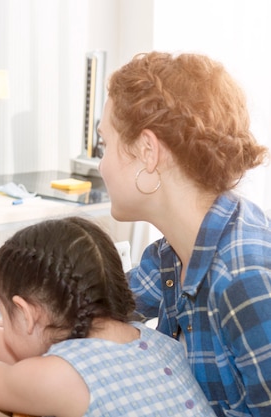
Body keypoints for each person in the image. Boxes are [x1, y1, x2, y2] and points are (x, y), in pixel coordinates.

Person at [0, 216, 214, 417]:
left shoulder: (57, 376)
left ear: (26, 314)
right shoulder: (156, 343)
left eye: (5, 314)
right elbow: (28, 344)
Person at [97, 52, 271, 416]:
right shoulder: (171, 255)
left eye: (105, 144)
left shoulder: (245, 280)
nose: (101, 165)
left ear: (148, 151)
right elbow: (84, 315)